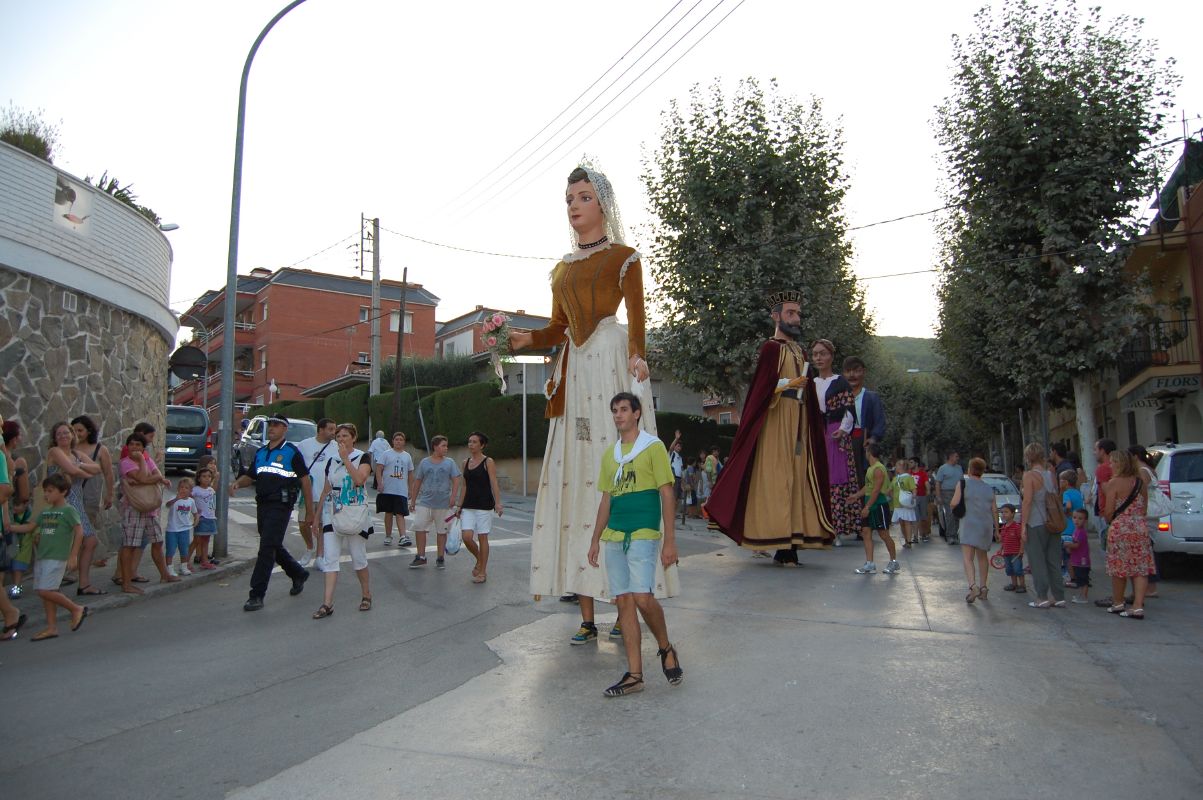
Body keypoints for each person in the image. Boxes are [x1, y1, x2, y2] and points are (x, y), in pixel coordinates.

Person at [509, 163, 677, 643]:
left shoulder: (625, 257)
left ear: (602, 203)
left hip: (608, 361)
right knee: (577, 474)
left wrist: (638, 356)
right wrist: (524, 339)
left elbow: (638, 320)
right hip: (576, 371)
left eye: (583, 197)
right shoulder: (561, 269)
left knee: (619, 472)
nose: (574, 205)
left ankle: (627, 608)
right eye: (569, 199)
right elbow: (558, 327)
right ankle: (586, 614)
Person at [706, 292, 834, 565]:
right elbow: (760, 391)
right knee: (776, 481)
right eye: (790, 313)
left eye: (798, 313)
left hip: (799, 424)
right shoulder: (770, 349)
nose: (796, 318)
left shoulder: (799, 351)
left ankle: (793, 542)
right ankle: (777, 541)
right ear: (776, 316)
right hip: (776, 422)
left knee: (797, 480)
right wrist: (787, 384)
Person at [587, 392, 682, 697]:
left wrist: (670, 540)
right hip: (614, 534)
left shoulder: (652, 447)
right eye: (614, 410)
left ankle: (665, 646)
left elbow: (667, 494)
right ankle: (635, 675)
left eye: (624, 409)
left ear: (637, 413)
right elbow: (606, 499)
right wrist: (594, 539)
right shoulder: (610, 455)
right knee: (624, 601)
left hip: (643, 531)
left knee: (643, 598)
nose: (618, 415)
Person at [229, 415, 313, 612]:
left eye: (276, 425)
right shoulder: (262, 452)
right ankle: (297, 573)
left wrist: (309, 511)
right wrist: (238, 484)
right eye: (270, 425)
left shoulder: (291, 452)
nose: (272, 428)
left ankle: (256, 594)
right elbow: (251, 476)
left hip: (281, 504)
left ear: (285, 429)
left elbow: (306, 481)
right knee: (272, 543)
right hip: (263, 504)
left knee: (266, 548)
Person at [312, 423, 373, 619]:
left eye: (345, 436)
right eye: (338, 436)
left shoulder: (363, 457)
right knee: (330, 559)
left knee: (358, 558)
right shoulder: (331, 461)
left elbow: (359, 480)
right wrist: (316, 517)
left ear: (353, 438)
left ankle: (366, 594)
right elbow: (326, 489)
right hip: (333, 513)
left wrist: (346, 459)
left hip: (355, 513)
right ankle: (327, 603)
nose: (341, 439)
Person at [809, 339, 859, 547]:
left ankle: (837, 529)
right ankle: (815, 527)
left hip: (834, 434)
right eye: (815, 355)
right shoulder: (810, 383)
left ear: (831, 356)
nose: (818, 358)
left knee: (836, 480)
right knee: (815, 478)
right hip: (815, 433)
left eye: (822, 354)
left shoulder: (840, 382)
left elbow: (849, 409)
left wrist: (844, 429)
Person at [28, 473, 90, 641]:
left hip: (57, 557)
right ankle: (51, 627)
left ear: (63, 492)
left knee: (44, 590)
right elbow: (31, 527)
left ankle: (76, 608)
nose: (46, 494)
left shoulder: (68, 510)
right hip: (43, 555)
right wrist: (8, 527)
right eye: (45, 491)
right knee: (48, 592)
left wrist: (73, 555)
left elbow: (79, 531)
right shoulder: (46, 512)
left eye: (50, 491)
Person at [46, 421, 103, 595]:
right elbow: (73, 470)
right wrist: (81, 469)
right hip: (63, 502)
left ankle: (82, 583)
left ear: (72, 435)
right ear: (55, 438)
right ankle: (54, 585)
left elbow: (97, 468)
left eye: (66, 433)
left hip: (76, 501)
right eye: (59, 434)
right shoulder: (54, 452)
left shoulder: (76, 453)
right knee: (75, 542)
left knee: (87, 541)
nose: (63, 436)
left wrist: (80, 467)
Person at [117, 432, 175, 593]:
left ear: (143, 448)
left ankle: (165, 575)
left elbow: (156, 475)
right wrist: (143, 462)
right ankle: (126, 583)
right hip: (133, 507)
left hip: (149, 508)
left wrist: (147, 478)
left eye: (138, 445)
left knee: (157, 541)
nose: (134, 447)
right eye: (132, 444)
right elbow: (143, 476)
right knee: (130, 545)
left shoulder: (147, 459)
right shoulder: (125, 463)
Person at [1102, 449, 1154, 620]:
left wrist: (1113, 519)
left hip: (1120, 528)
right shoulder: (1140, 482)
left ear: (1119, 464)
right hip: (1140, 527)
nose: (1110, 465)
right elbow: (1144, 508)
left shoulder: (1114, 483)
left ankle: (1118, 602)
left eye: (1112, 462)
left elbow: (1109, 511)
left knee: (1119, 567)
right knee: (1140, 568)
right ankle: (1138, 606)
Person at [1020, 442, 1065, 609]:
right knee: (1053, 560)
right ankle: (1059, 596)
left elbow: (1028, 501)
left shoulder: (1029, 476)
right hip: (1052, 522)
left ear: (1028, 457)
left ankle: (1042, 597)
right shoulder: (1051, 474)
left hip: (1035, 522)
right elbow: (1055, 496)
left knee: (1037, 560)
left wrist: (1023, 525)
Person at [454, 431, 503, 584]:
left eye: (475, 442)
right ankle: (479, 559)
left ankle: (482, 572)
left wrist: (498, 503)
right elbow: (464, 485)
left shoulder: (488, 462)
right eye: (470, 442)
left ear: (482, 445)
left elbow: (494, 482)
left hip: (484, 505)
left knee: (482, 537)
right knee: (466, 537)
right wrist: (459, 505)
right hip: (468, 505)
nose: (471, 444)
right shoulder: (465, 463)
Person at [409, 435, 462, 569]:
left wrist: (453, 497)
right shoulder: (424, 462)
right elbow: (418, 481)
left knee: (442, 531)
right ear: (435, 447)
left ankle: (440, 558)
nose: (446, 448)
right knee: (419, 526)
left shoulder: (449, 462)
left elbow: (456, 479)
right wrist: (413, 500)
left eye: (446, 446)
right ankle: (421, 556)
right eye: (443, 445)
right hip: (425, 501)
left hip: (443, 502)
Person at [950, 457, 997, 602]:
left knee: (968, 558)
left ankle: (973, 586)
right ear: (983, 471)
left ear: (969, 469)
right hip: (986, 526)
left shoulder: (963, 484)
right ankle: (984, 588)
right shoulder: (989, 488)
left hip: (969, 523)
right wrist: (997, 530)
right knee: (982, 557)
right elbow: (994, 510)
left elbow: (953, 503)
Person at [71, 415, 115, 568]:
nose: (77, 434)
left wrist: (109, 495)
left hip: (90, 497)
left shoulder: (100, 449)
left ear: (89, 431)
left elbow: (108, 473)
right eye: (74, 430)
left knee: (83, 533)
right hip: (71, 496)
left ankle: (77, 568)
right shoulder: (70, 449)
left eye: (80, 430)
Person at [296, 417, 337, 568]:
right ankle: (309, 547)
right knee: (303, 523)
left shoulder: (336, 447)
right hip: (307, 493)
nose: (333, 432)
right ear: (320, 429)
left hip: (326, 493)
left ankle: (320, 556)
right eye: (330, 429)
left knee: (322, 525)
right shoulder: (304, 445)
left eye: (334, 429)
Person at [855, 443, 898, 574]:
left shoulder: (879, 469)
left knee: (884, 534)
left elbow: (876, 490)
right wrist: (855, 496)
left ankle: (894, 562)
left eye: (866, 451)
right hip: (870, 503)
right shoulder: (870, 468)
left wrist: (867, 507)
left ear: (870, 452)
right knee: (866, 532)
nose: (865, 453)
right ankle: (869, 564)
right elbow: (868, 487)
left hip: (878, 504)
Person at [843, 356, 886, 482]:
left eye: (856, 370)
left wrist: (873, 439)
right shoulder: (839, 397)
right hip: (842, 443)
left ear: (863, 371)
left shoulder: (871, 397)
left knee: (864, 479)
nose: (852, 375)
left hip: (863, 444)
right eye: (848, 371)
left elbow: (880, 422)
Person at [375, 431, 415, 548]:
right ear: (393, 441)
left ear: (404, 442)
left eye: (401, 440)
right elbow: (379, 469)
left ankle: (403, 536)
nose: (398, 441)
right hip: (388, 489)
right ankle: (388, 535)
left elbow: (410, 473)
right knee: (388, 512)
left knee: (400, 513)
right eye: (396, 439)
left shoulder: (407, 456)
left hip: (401, 490)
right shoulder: (386, 454)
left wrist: (410, 489)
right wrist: (380, 483)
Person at [163, 477, 198, 577]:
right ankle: (169, 568)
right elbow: (167, 505)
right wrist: (176, 499)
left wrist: (196, 519)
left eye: (186, 488)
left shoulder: (191, 501)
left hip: (185, 529)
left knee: (184, 549)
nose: (183, 489)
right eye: (181, 487)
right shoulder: (173, 498)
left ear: (190, 491)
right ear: (178, 488)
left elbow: (195, 512)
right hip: (172, 530)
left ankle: (184, 566)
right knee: (171, 549)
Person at [933, 450, 964, 544]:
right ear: (950, 457)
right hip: (947, 493)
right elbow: (938, 483)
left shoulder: (959, 468)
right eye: (956, 456)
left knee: (958, 514)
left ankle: (956, 535)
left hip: (958, 492)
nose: (957, 458)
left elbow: (962, 481)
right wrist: (938, 496)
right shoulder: (943, 468)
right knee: (950, 514)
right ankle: (950, 536)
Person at [1059, 469, 1084, 583]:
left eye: (1061, 481)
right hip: (1077, 529)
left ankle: (1071, 577)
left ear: (1065, 482)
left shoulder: (1066, 493)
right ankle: (1078, 575)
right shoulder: (1078, 493)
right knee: (1075, 555)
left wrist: (1065, 512)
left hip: (1067, 530)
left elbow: (1068, 505)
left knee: (1066, 557)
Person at [191, 468, 218, 570]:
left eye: (209, 476)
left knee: (206, 540)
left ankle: (205, 560)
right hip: (202, 518)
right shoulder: (196, 490)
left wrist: (217, 478)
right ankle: (185, 561)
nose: (207, 479)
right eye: (204, 476)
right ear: (198, 478)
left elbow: (214, 491)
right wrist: (195, 512)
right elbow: (189, 498)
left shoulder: (210, 490)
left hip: (210, 517)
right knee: (197, 540)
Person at [1065, 508, 1092, 603]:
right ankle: (1081, 595)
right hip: (1076, 559)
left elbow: (1077, 545)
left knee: (1083, 580)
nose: (1076, 520)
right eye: (1075, 517)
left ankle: (1084, 597)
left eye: (1080, 518)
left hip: (1082, 561)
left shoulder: (1081, 532)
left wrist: (1068, 545)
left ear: (1085, 520)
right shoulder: (1076, 530)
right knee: (1079, 579)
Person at [998, 503, 1026, 593]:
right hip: (1007, 553)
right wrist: (1001, 549)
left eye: (1006, 512)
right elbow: (1003, 540)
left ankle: (1022, 585)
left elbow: (1021, 539)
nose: (1003, 514)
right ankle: (1014, 584)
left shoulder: (1017, 527)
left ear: (1013, 513)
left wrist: (1021, 550)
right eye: (1002, 512)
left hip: (1016, 553)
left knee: (1018, 569)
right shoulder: (1003, 527)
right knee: (1009, 569)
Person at [892, 459, 918, 547]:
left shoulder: (909, 477)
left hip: (906, 503)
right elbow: (890, 489)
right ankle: (906, 539)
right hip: (897, 503)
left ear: (901, 466)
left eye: (897, 466)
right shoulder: (895, 478)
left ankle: (908, 541)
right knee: (901, 522)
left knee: (907, 522)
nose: (895, 467)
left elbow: (914, 489)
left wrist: (913, 496)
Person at [911, 458, 932, 542]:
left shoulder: (922, 473)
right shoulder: (909, 473)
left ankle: (923, 534)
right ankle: (915, 536)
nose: (910, 464)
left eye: (911, 462)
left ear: (916, 463)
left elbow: (926, 483)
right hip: (913, 497)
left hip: (922, 496)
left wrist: (928, 491)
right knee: (915, 517)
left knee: (923, 516)